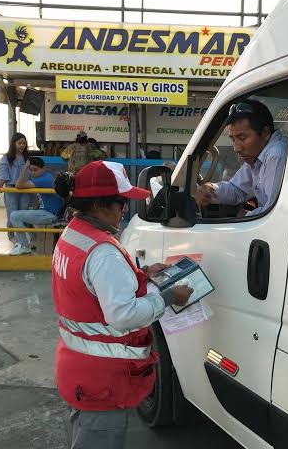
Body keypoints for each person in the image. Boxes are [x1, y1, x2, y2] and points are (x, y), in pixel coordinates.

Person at [51, 160, 193, 448]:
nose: (125, 210)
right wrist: (167, 297)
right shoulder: (103, 252)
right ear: (101, 205)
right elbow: (123, 315)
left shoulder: (74, 235)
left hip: (80, 368)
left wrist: (141, 275)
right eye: (121, 203)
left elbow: (90, 286)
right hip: (102, 381)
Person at [194, 99, 288, 217]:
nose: (236, 148)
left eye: (242, 138)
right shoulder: (257, 157)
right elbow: (237, 189)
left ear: (265, 133)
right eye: (233, 139)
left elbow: (274, 212)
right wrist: (212, 189)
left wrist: (246, 216)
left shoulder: (276, 154)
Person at [8, 157, 64, 256]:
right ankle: (33, 242)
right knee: (24, 215)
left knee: (14, 215)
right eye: (31, 170)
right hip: (46, 211)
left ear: (43, 168)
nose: (33, 173)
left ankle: (23, 246)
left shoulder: (44, 179)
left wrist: (25, 168)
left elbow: (18, 185)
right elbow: (39, 198)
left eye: (35, 170)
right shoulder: (42, 176)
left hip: (50, 214)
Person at [0, 132, 32, 242]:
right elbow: (3, 174)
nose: (22, 145)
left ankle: (21, 238)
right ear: (14, 144)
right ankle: (11, 235)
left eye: (24, 143)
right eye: (19, 143)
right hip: (11, 189)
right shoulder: (7, 158)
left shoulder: (27, 157)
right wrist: (0, 185)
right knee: (12, 213)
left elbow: (33, 172)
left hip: (25, 189)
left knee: (23, 213)